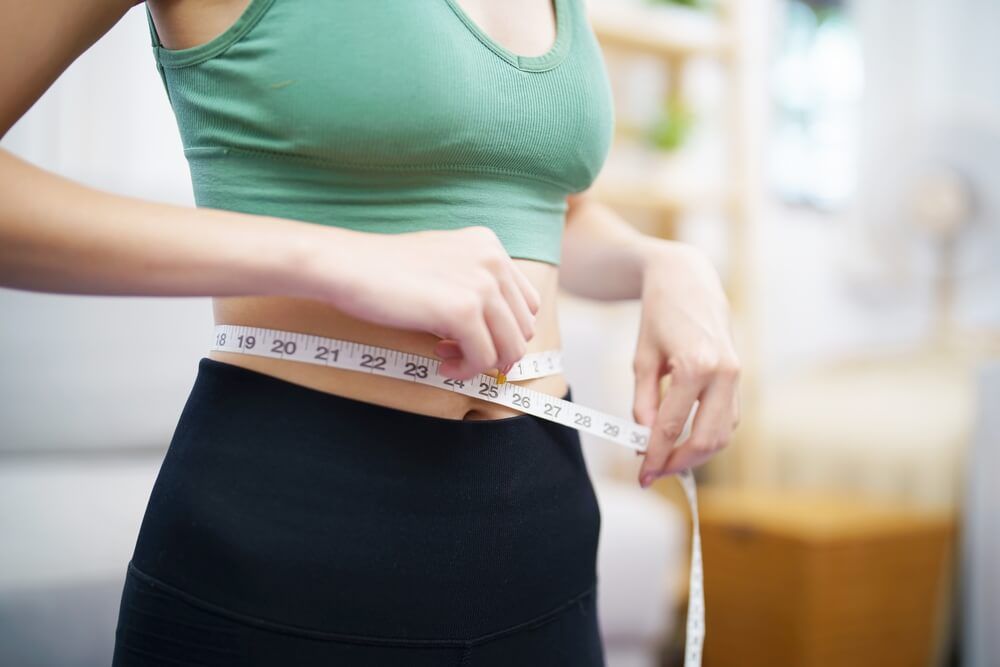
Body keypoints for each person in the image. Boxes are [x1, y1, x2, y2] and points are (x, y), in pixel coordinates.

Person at [0, 0, 741, 664]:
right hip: (291, 538)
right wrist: (329, 254)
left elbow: (543, 205)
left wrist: (660, 261)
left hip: (548, 541)